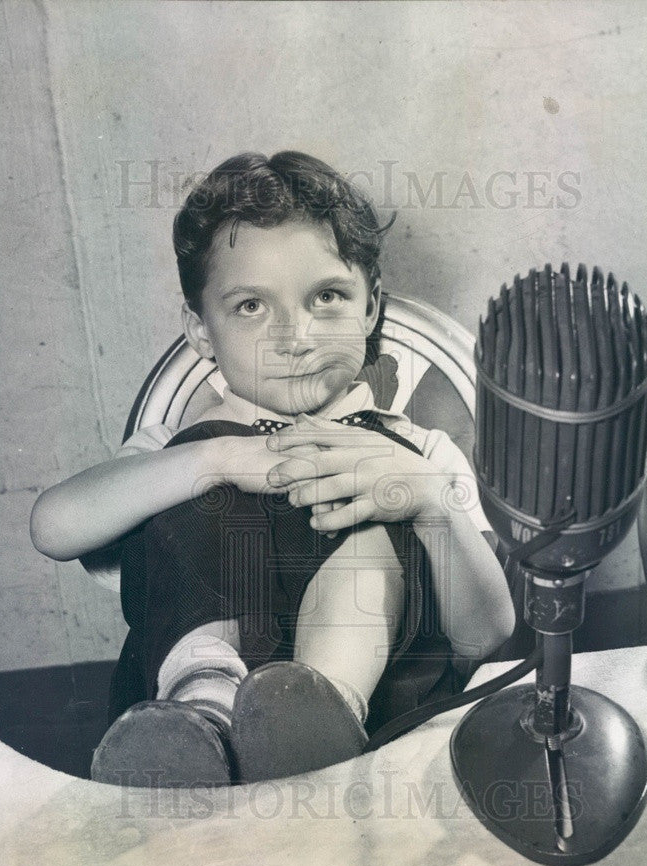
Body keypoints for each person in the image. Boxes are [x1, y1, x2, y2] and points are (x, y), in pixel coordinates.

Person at [30, 151, 515, 788]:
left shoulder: (417, 448)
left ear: (370, 310)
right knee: (196, 485)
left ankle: (318, 716)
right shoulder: (177, 446)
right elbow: (53, 527)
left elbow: (488, 637)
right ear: (201, 332)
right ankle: (203, 705)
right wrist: (217, 459)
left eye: (328, 297)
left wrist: (429, 503)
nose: (295, 336)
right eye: (251, 308)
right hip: (195, 768)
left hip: (379, 755)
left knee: (373, 506)